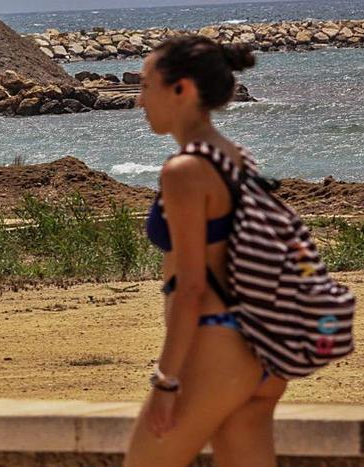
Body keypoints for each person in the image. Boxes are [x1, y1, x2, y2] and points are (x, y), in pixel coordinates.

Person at [125, 35, 286, 467]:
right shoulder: (236, 157)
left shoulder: (185, 170)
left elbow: (192, 286)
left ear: (183, 90)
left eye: (145, 86)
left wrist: (166, 381)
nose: (139, 101)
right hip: (261, 352)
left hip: (216, 348)